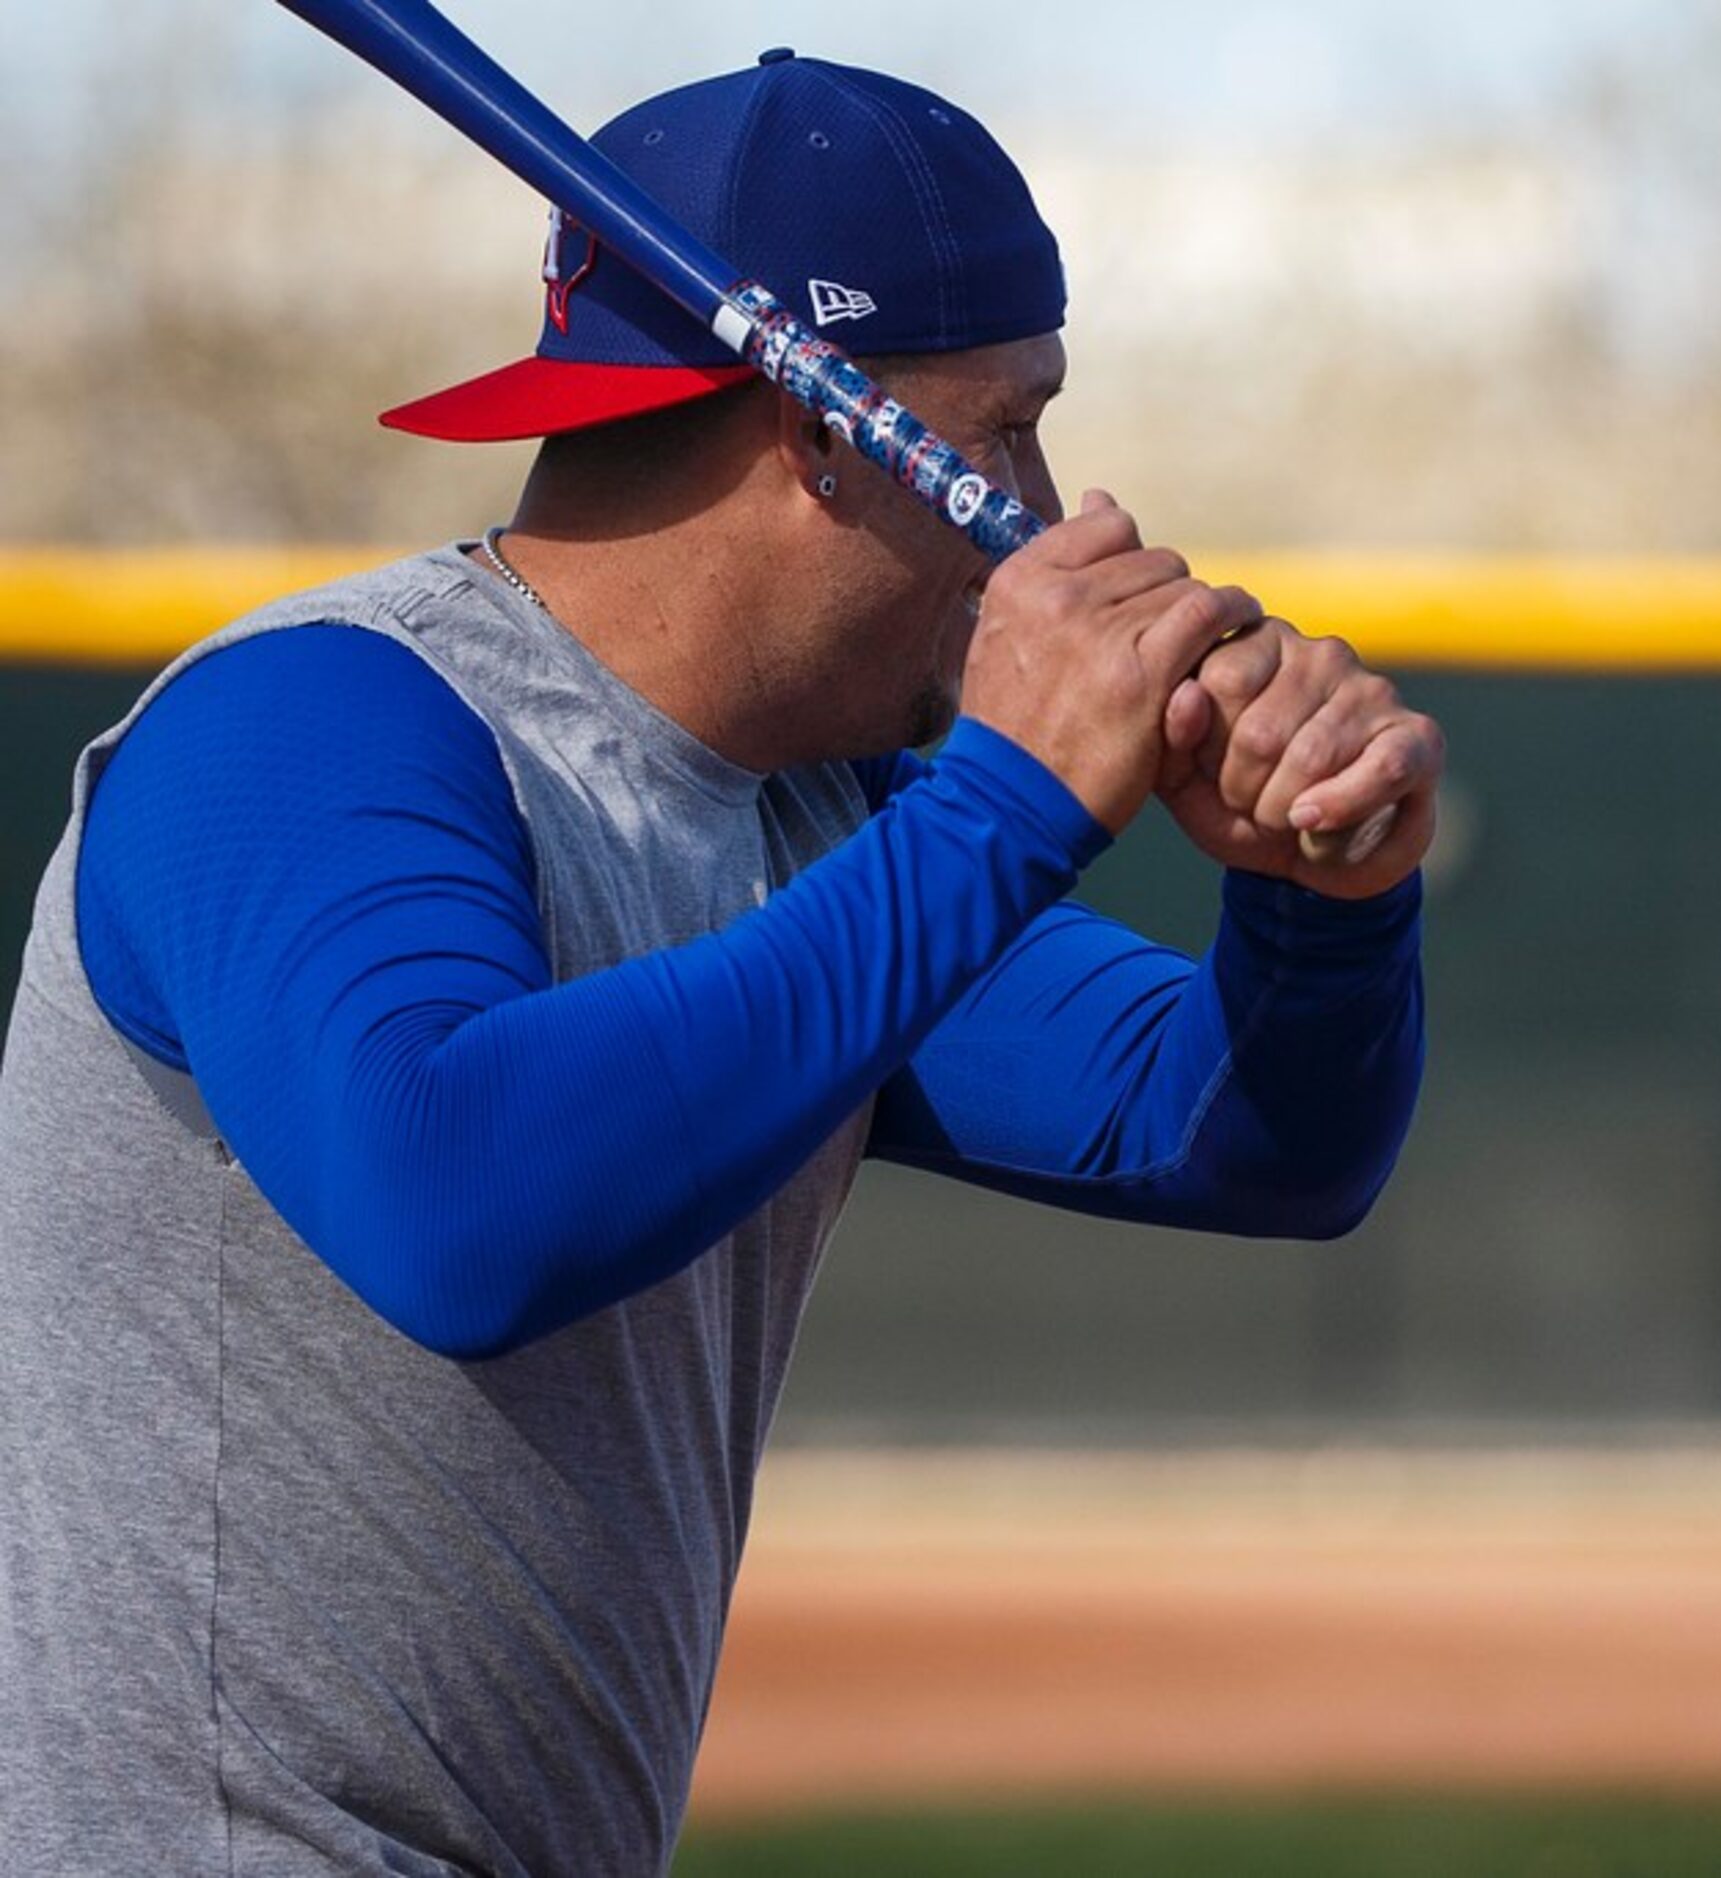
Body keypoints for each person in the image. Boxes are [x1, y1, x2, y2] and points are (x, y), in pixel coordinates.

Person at [0, 51, 1440, 1875]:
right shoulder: (307, 724)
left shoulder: (826, 819)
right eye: (1002, 429)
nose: (1052, 508)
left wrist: (1325, 899)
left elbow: (1246, 1137)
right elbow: (455, 1200)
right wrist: (998, 808)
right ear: (827, 436)